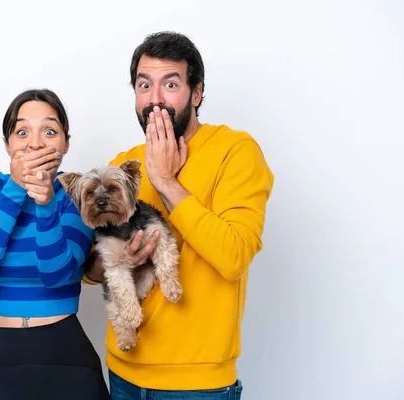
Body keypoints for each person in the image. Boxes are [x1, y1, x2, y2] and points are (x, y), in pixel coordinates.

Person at [82, 32, 274, 399]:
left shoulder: (236, 151)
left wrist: (167, 182)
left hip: (195, 383)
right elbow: (93, 271)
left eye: (170, 84)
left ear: (197, 93)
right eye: (144, 85)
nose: (154, 99)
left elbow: (234, 256)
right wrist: (117, 260)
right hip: (123, 369)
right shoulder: (127, 162)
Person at [0, 89, 110, 399]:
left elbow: (57, 275)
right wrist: (15, 188)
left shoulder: (76, 190)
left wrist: (46, 204)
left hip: (67, 359)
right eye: (22, 131)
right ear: (7, 143)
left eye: (50, 131)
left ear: (65, 143)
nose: (35, 143)